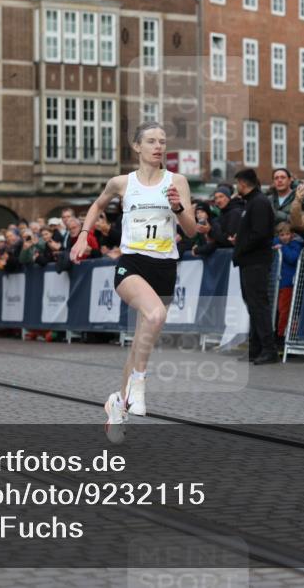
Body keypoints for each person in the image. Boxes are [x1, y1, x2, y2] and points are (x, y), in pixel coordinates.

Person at [71, 121, 197, 442]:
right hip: (132, 263)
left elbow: (192, 230)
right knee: (155, 315)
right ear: (137, 147)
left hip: (165, 267)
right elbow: (97, 205)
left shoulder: (177, 181)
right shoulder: (121, 182)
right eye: (151, 141)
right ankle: (138, 385)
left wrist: (178, 208)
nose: (158, 146)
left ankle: (118, 404)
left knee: (140, 345)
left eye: (162, 141)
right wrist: (83, 236)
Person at [232, 168, 279, 365]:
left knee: (259, 306)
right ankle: (256, 348)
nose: (237, 187)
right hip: (249, 261)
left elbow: (260, 233)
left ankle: (269, 349)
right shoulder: (252, 202)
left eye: (237, 183)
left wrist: (242, 246)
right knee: (253, 306)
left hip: (256, 262)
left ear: (243, 183)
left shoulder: (259, 202)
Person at [272, 222, 304, 346]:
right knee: (277, 310)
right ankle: (276, 334)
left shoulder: (295, 245)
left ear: (292, 234)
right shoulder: (276, 242)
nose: (285, 237)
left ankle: (282, 336)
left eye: (287, 234)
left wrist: (282, 247)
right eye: (282, 235)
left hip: (288, 283)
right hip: (277, 283)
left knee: (284, 310)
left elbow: (292, 258)